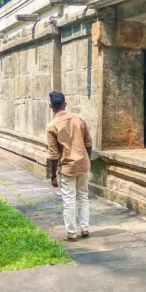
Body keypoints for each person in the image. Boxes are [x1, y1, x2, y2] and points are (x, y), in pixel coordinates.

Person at [46, 91, 93, 242]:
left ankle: (71, 233)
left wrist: (53, 175)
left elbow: (53, 155)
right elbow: (89, 144)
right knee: (83, 196)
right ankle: (84, 228)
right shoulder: (79, 119)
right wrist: (86, 159)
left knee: (69, 200)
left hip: (67, 167)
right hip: (83, 164)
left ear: (51, 106)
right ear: (65, 104)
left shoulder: (52, 126)